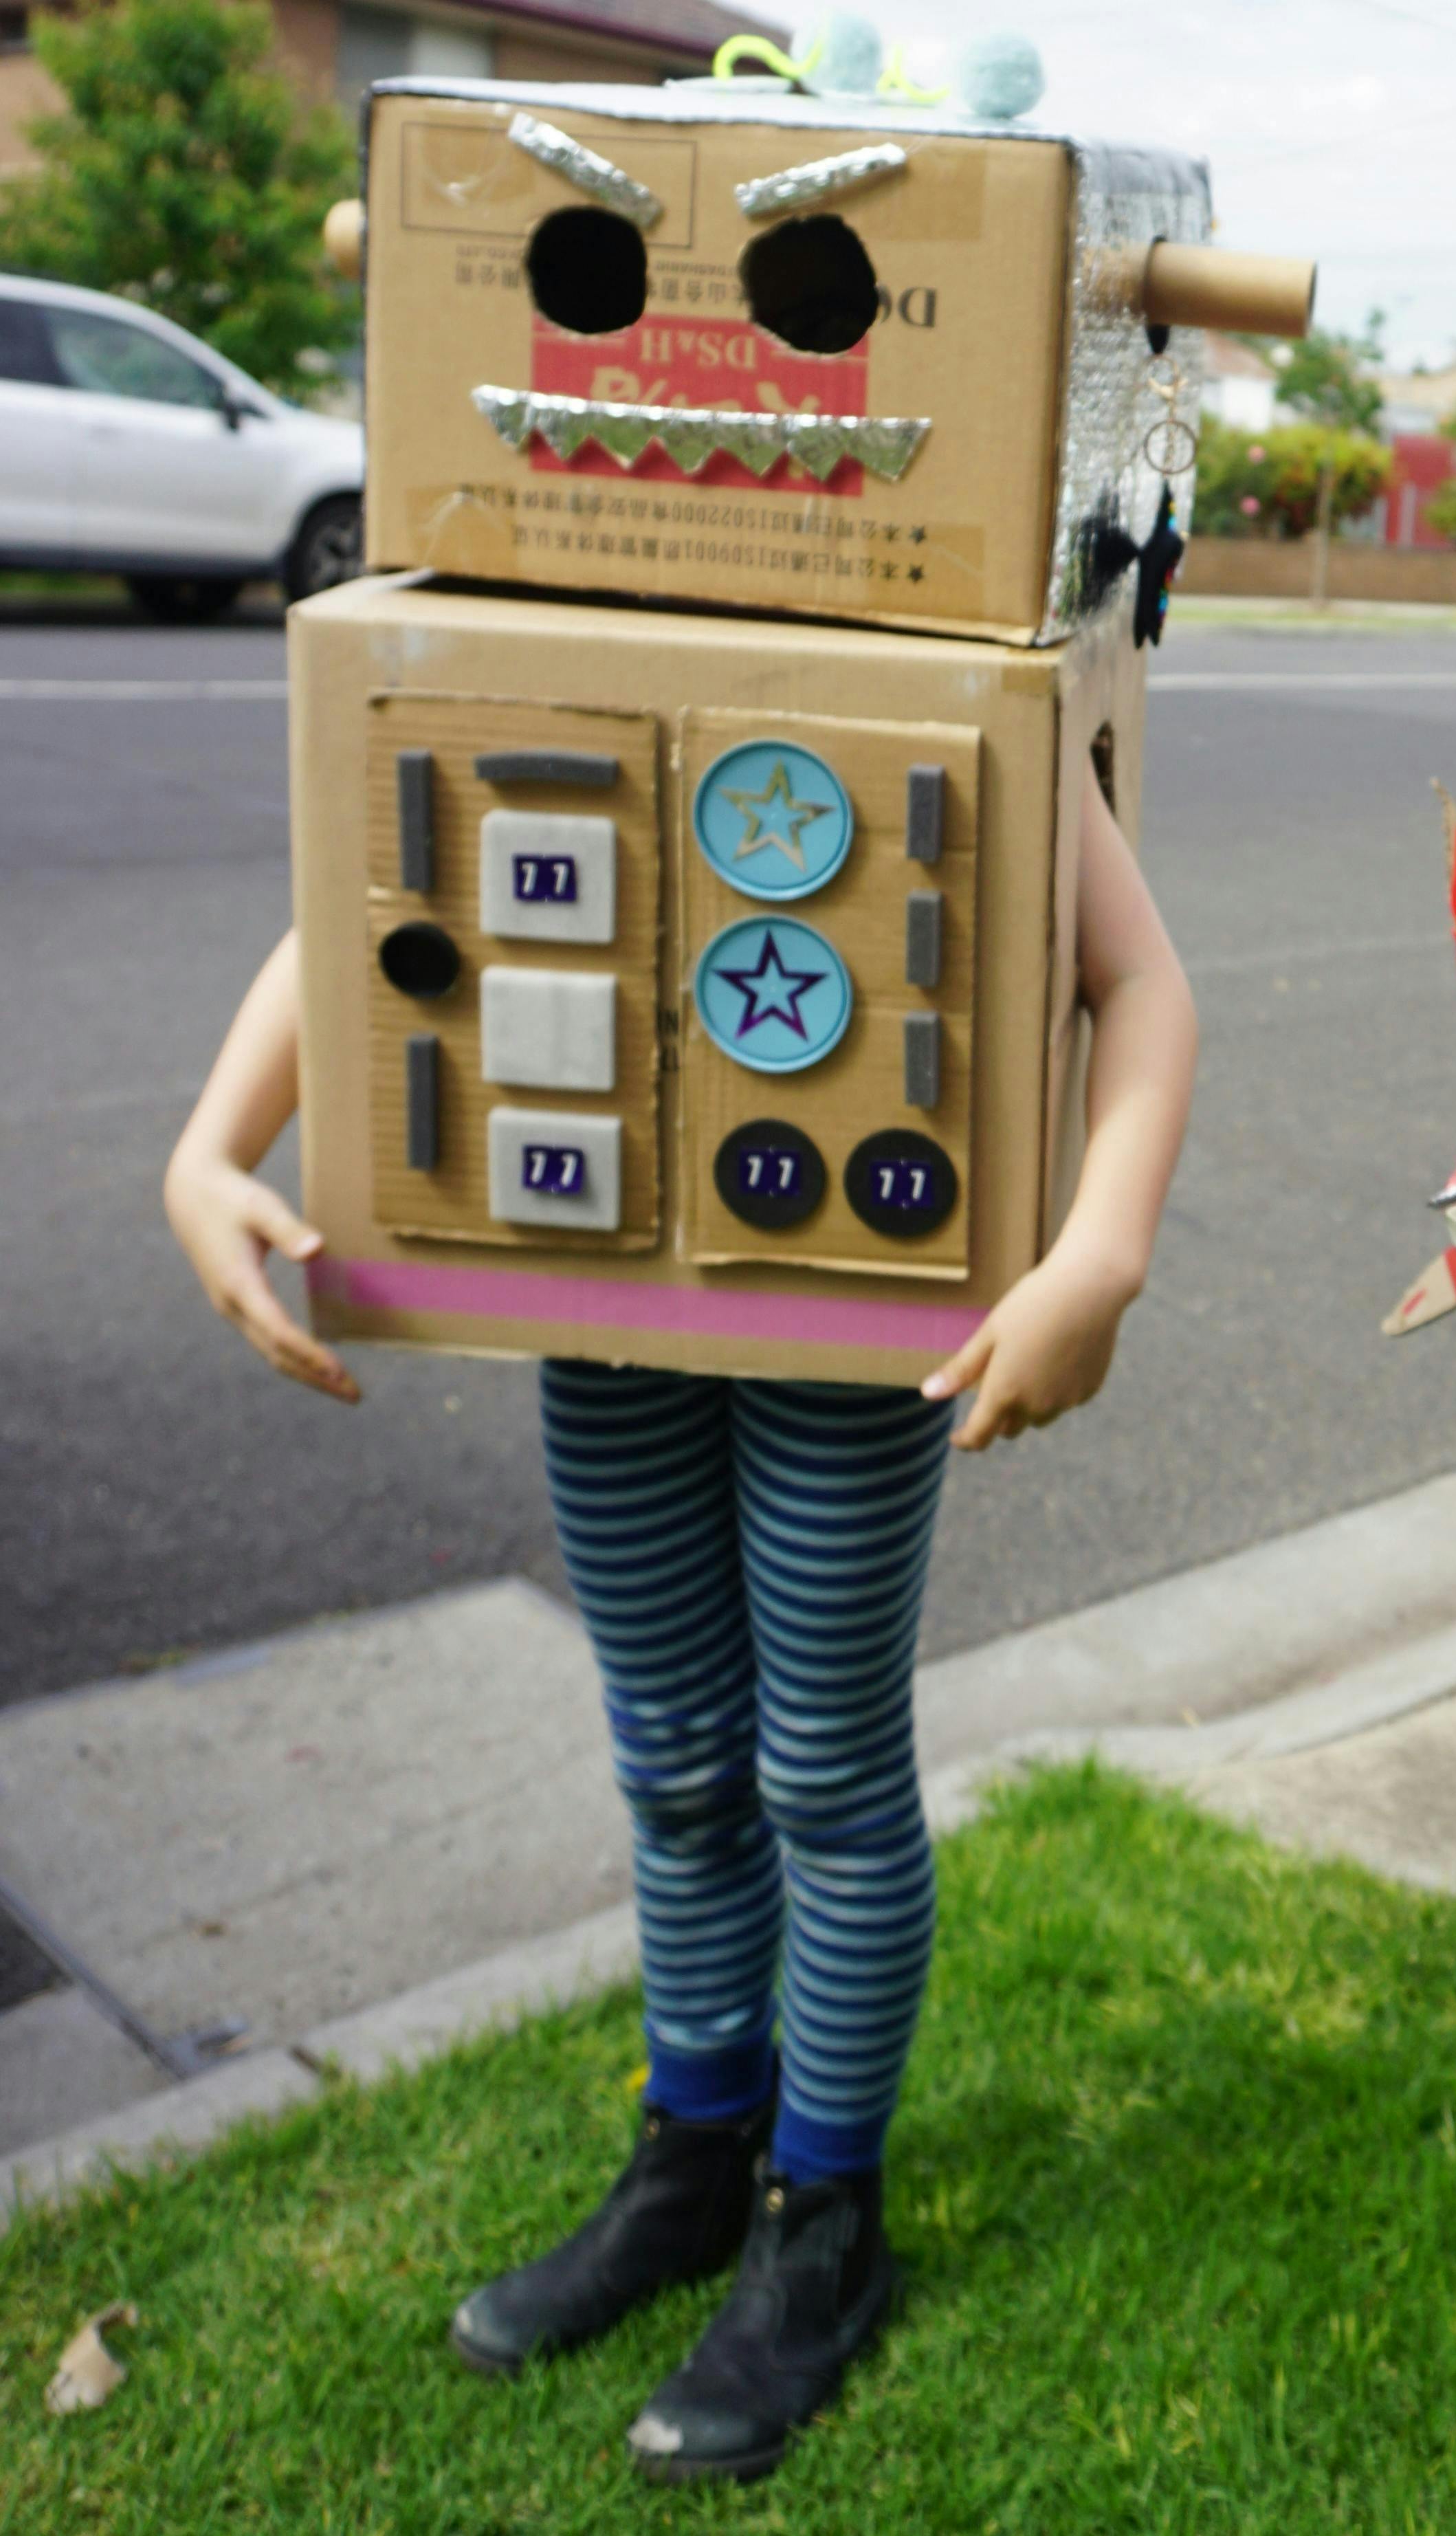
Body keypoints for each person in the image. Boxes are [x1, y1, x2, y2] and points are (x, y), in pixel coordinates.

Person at [164, 757, 1196, 2485]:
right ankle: (697, 2150)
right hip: (605, 1288)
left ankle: (824, 2209)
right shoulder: (561, 604)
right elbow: (366, 922)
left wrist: (1102, 1252)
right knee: (673, 1760)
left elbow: (1136, 974)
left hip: (852, 1304)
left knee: (824, 1774)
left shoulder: (927, 650)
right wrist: (208, 1149)